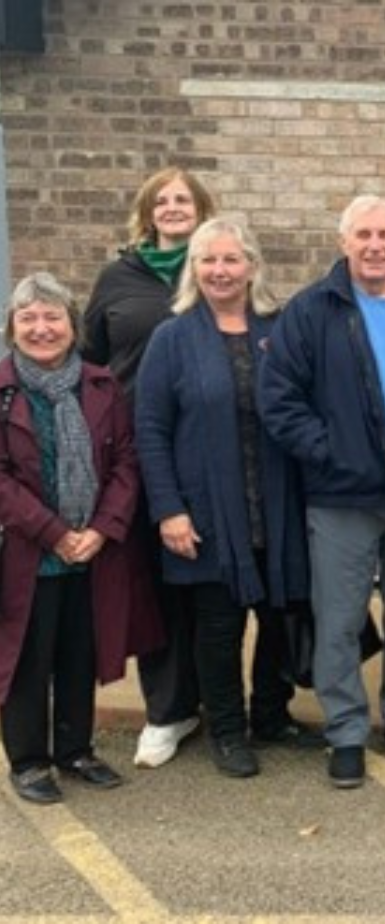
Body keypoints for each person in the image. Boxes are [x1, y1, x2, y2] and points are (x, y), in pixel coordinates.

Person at [258, 196, 385, 789]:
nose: (375, 246)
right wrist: (333, 453)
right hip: (342, 499)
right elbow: (279, 399)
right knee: (340, 620)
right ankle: (345, 731)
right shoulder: (311, 311)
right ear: (343, 242)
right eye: (363, 235)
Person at [134, 219, 318, 779]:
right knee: (218, 627)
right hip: (209, 509)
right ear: (194, 269)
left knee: (279, 613)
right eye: (208, 261)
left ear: (252, 266)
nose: (220, 271)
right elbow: (150, 427)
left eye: (231, 260)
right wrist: (168, 508)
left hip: (277, 503)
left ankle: (270, 713)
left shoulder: (280, 328)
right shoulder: (173, 338)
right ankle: (228, 730)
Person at [0, 273, 159, 804]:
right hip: (27, 552)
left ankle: (75, 749)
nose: (41, 328)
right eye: (29, 318)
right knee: (27, 654)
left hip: (91, 552)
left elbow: (126, 462)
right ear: (12, 327)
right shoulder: (3, 389)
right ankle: (28, 760)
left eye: (52, 317)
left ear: (72, 325)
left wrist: (99, 531)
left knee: (78, 653)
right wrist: (54, 534)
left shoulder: (101, 384)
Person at [84, 166, 218, 769]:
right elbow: (89, 359)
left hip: (207, 452)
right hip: (135, 453)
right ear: (147, 212)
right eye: (161, 200)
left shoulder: (218, 270)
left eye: (183, 199)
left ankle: (219, 702)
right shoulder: (118, 278)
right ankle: (167, 709)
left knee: (208, 585)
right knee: (152, 585)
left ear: (202, 209)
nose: (172, 208)